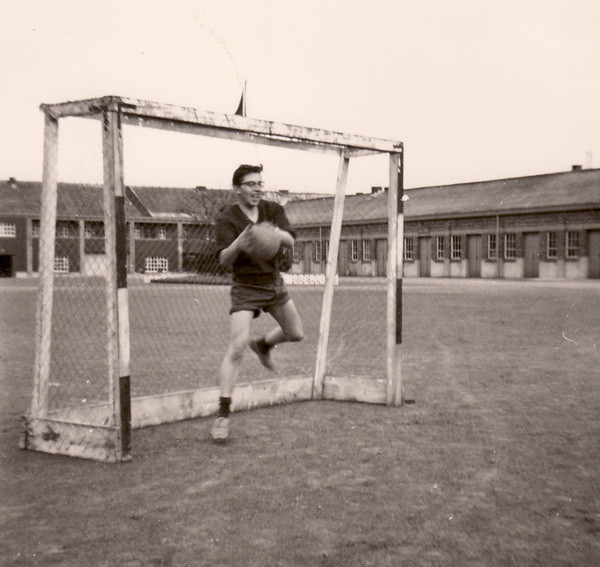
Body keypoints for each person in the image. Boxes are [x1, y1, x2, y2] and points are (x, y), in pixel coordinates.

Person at [211, 164, 304, 443]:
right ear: (237, 189)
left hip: (272, 284)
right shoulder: (227, 218)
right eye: (251, 184)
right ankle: (222, 415)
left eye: (260, 183)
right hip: (245, 287)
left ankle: (263, 344)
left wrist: (270, 234)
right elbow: (223, 259)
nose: (257, 188)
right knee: (237, 347)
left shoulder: (272, 210)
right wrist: (241, 242)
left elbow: (290, 240)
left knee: (296, 333)